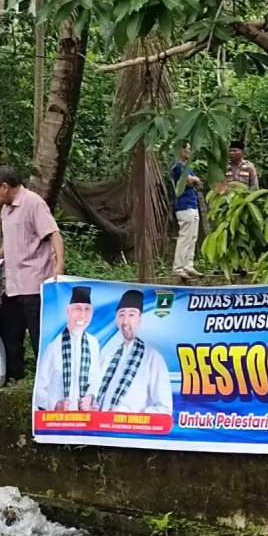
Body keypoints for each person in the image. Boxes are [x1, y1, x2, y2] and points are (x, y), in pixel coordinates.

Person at [0, 166, 64, 384]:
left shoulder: (33, 203)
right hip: (12, 284)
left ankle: (48, 382)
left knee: (39, 336)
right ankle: (16, 377)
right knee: (9, 332)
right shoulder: (6, 209)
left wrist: (59, 265)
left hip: (34, 283)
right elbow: (11, 241)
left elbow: (54, 234)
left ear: (5, 187)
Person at [84, 289, 172, 414]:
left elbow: (164, 409)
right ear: (116, 320)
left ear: (139, 319)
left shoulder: (153, 359)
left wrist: (134, 419)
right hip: (101, 423)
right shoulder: (109, 356)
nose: (125, 321)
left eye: (131, 315)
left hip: (132, 425)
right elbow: (94, 390)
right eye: (121, 315)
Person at [34, 286, 102, 411]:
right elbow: (39, 389)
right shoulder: (54, 347)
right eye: (78, 309)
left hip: (85, 417)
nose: (82, 315)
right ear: (68, 310)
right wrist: (55, 404)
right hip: (58, 418)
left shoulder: (93, 343)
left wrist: (90, 397)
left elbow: (96, 378)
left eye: (87, 309)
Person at [171, 143, 203, 281]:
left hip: (192, 203)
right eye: (188, 149)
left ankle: (188, 265)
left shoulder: (187, 166)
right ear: (181, 150)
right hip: (184, 205)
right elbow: (189, 181)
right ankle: (178, 268)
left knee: (192, 237)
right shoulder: (178, 166)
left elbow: (196, 182)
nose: (190, 151)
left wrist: (194, 181)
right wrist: (194, 180)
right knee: (185, 237)